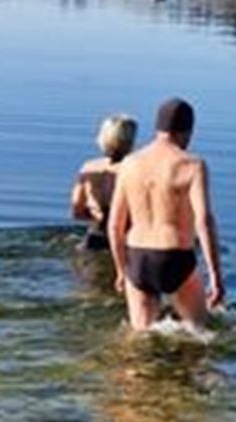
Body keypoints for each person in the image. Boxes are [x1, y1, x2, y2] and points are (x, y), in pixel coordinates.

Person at [108, 98, 225, 331]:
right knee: (199, 336)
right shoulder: (192, 165)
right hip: (176, 257)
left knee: (139, 341)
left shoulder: (130, 163)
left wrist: (122, 271)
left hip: (138, 258)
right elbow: (204, 221)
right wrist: (216, 277)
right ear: (188, 131)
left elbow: (114, 225)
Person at [70, 114, 138, 251]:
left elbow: (77, 211)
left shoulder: (88, 168)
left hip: (94, 237)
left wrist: (97, 215)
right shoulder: (138, 170)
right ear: (131, 141)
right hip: (126, 239)